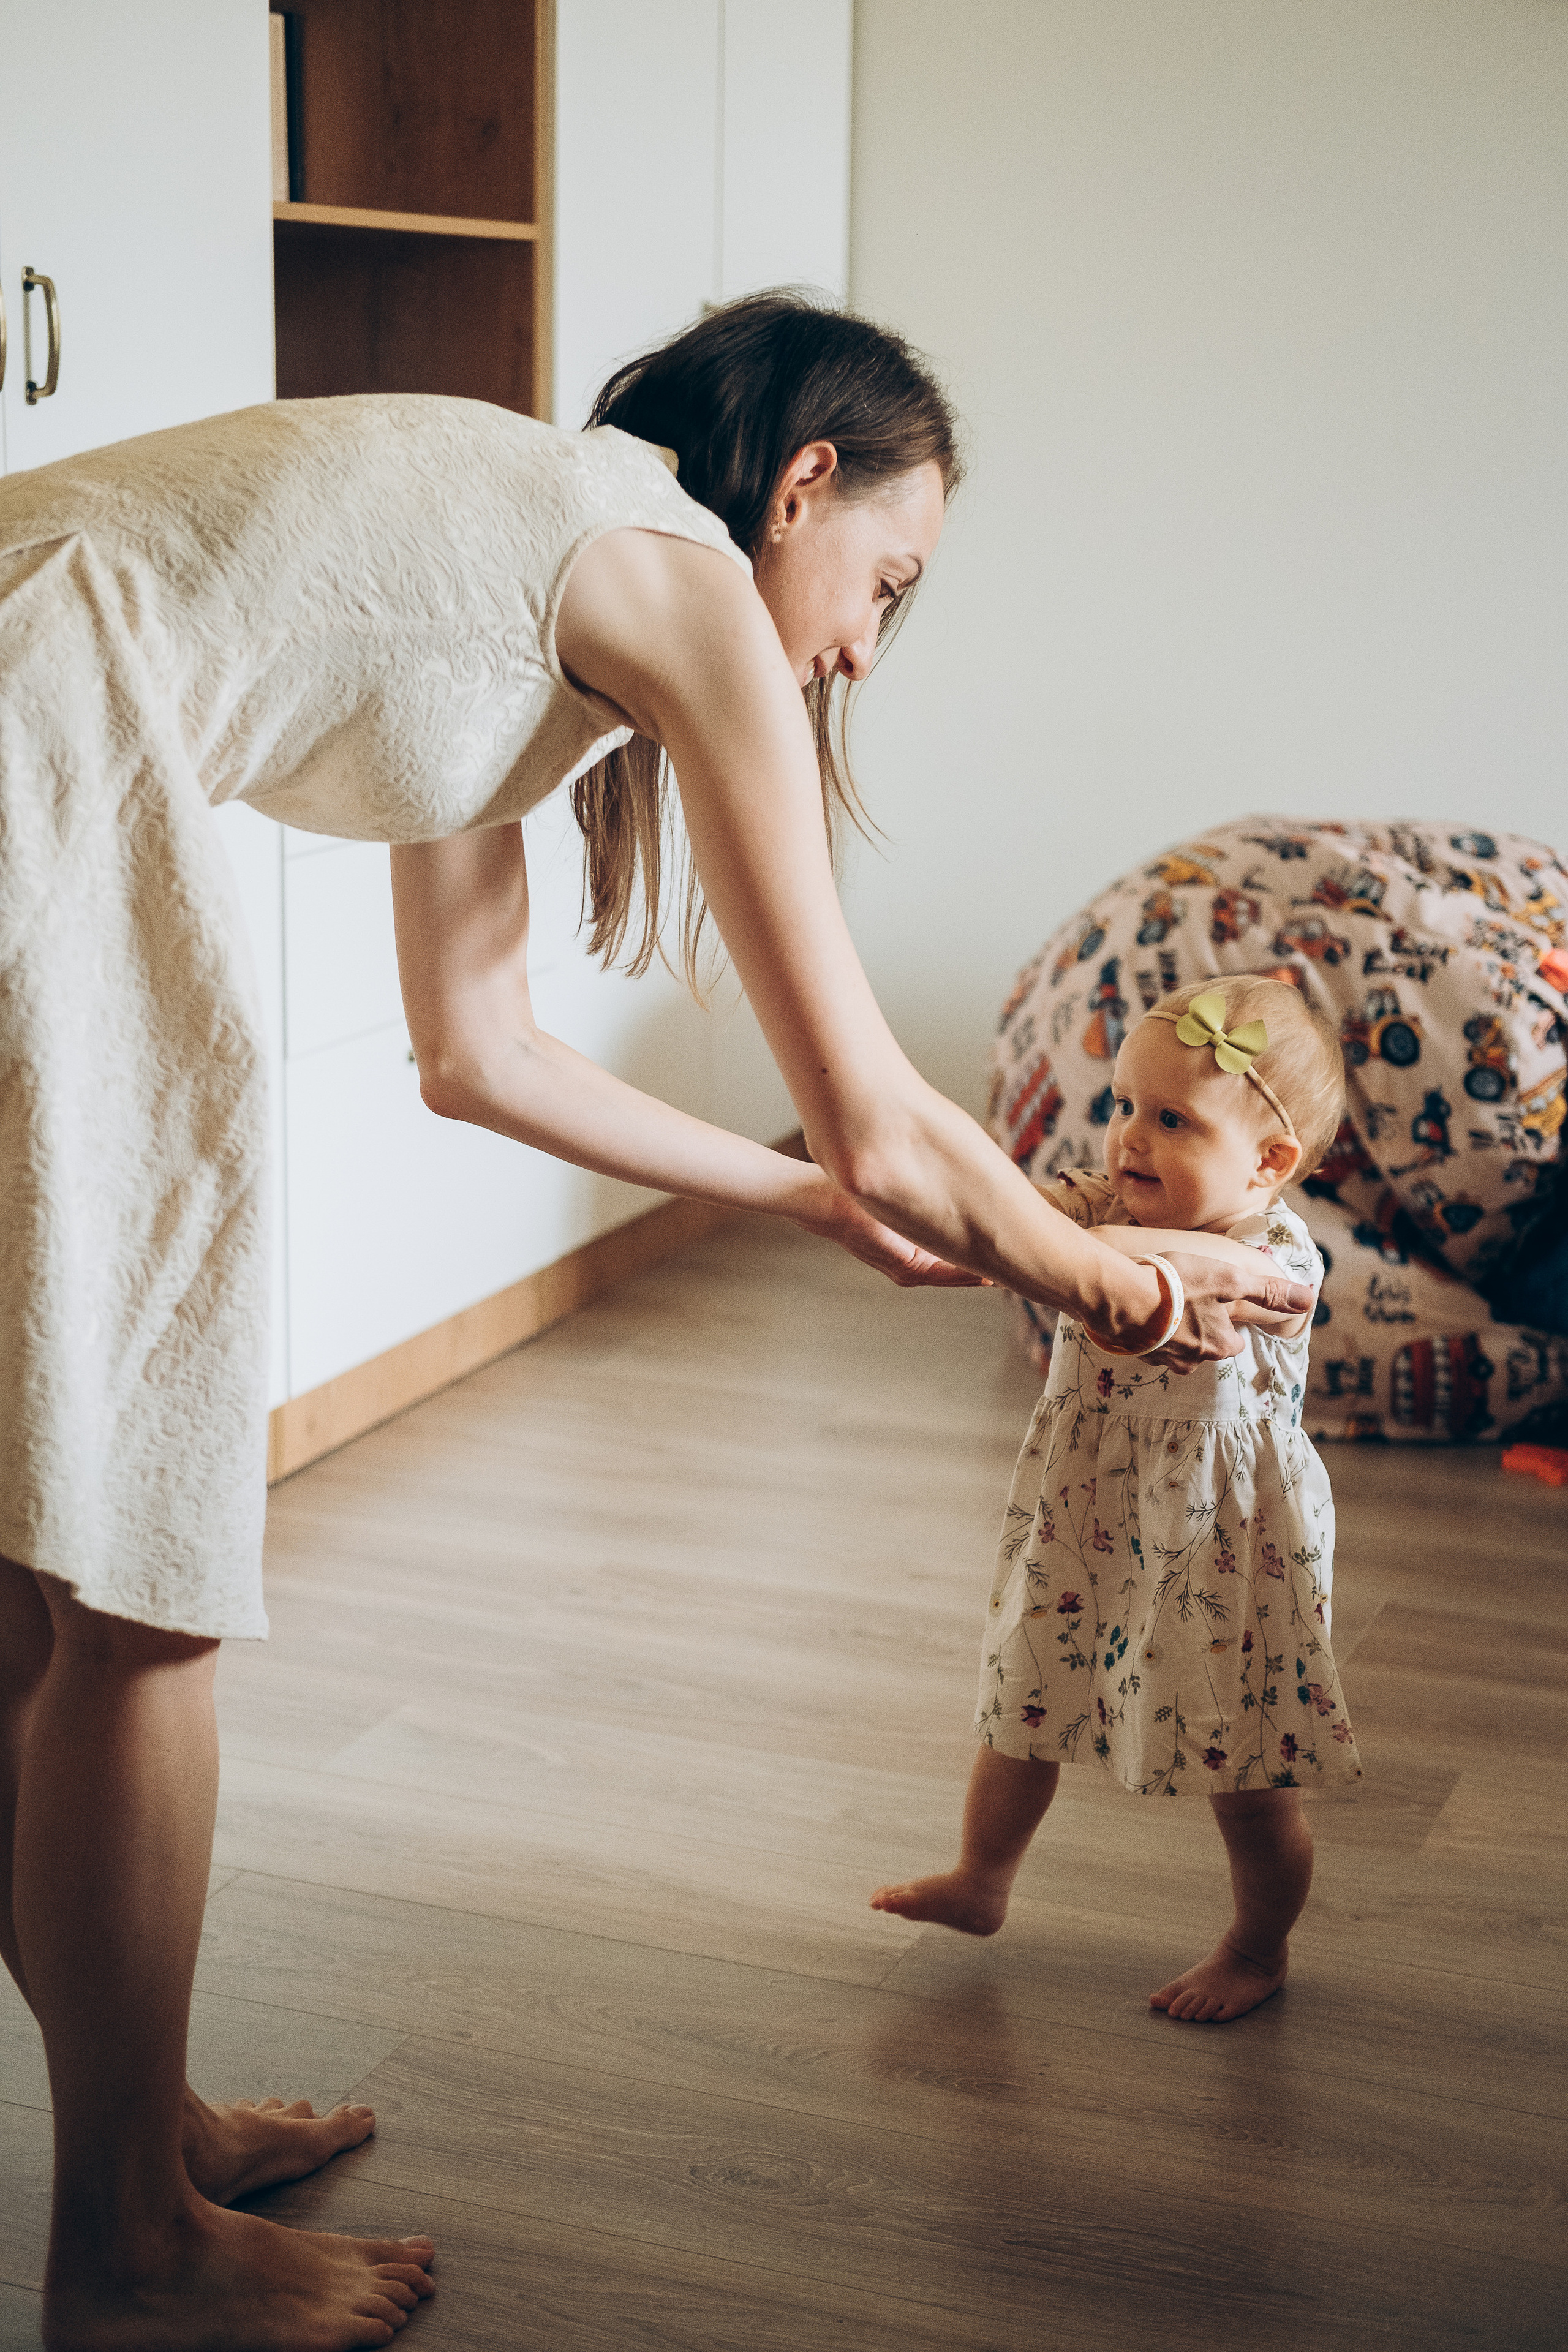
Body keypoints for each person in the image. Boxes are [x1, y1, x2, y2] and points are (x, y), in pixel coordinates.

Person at [0, 294, 1313, 2348]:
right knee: (138, 1589)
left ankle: (139, 2138)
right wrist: (1128, 1282)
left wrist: (806, 1198)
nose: (867, 644)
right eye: (888, 577)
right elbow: (884, 1107)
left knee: (40, 1585)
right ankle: (129, 2257)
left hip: (33, 721)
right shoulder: (674, 580)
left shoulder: (522, 560)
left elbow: (481, 1053)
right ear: (802, 488)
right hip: (35, 743)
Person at [873, 976, 1362, 2021]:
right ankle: (981, 1881)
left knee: (1247, 1767)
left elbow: (1136, 1270)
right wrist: (943, 1221)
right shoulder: (1102, 1207)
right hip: (1084, 1509)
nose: (1129, 1139)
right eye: (1123, 1106)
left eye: (1171, 1119)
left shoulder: (1277, 1263)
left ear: (1269, 1164)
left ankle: (1257, 1945)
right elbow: (1007, 1224)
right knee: (1023, 1700)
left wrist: (1042, 1249)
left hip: (1227, 1544)